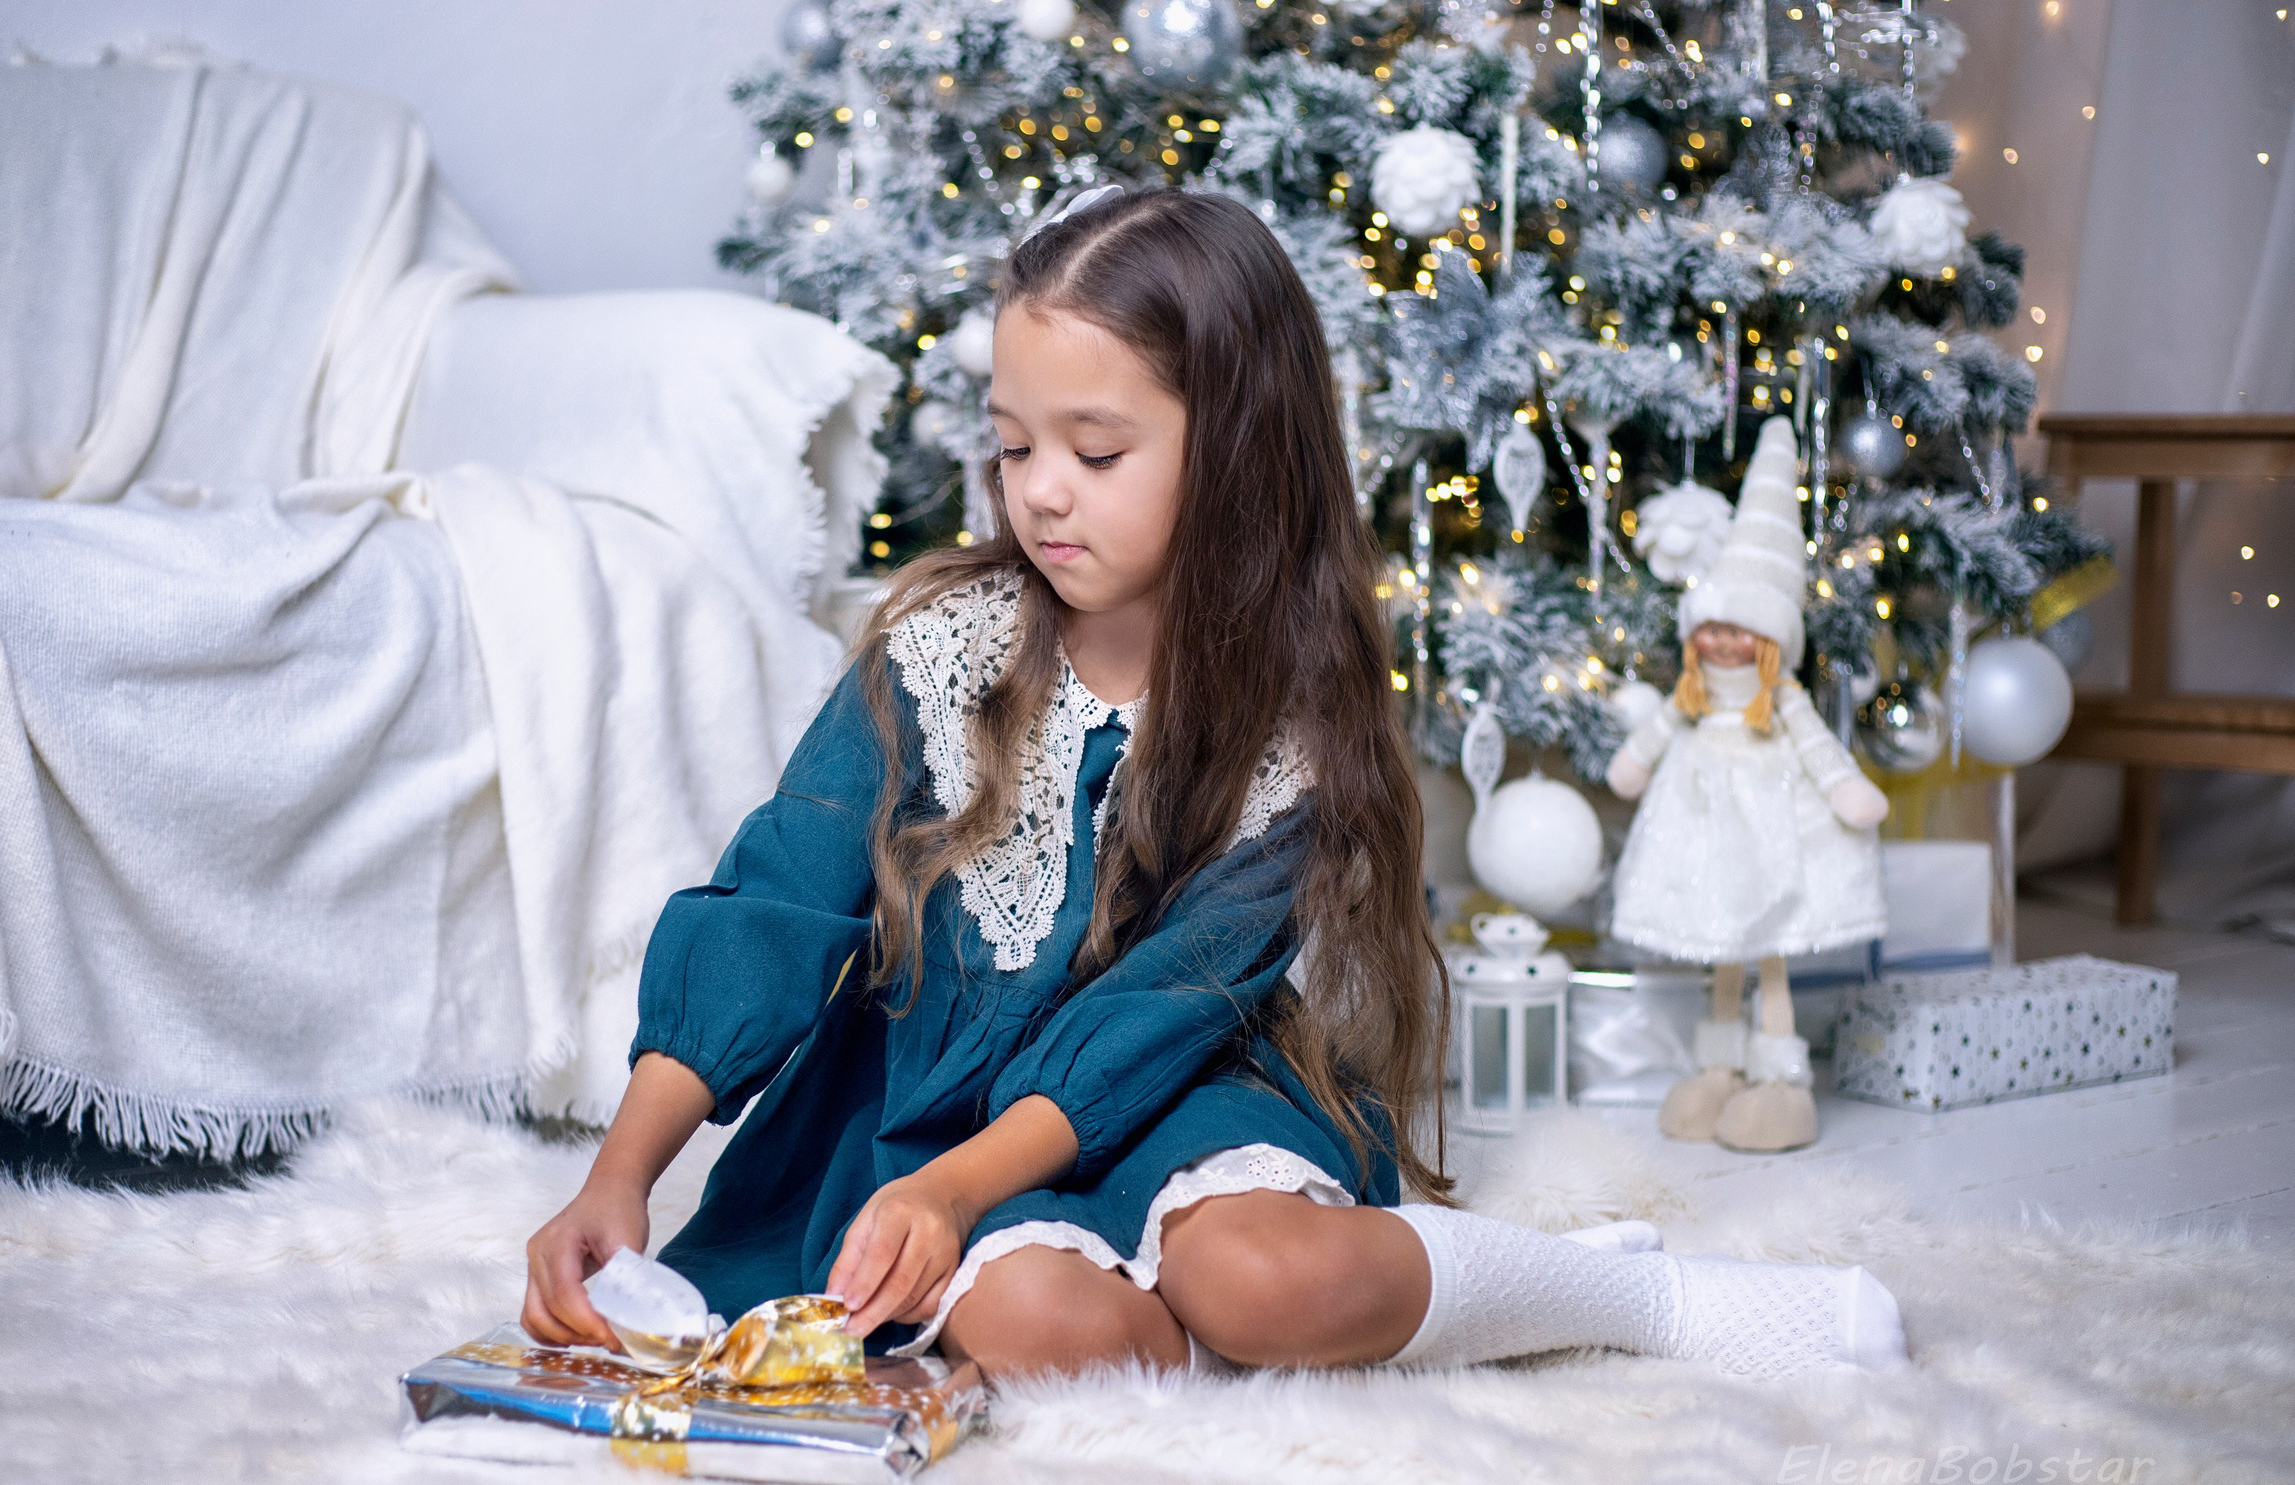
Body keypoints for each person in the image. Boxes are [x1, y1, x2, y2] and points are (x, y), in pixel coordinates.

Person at [520, 187, 1907, 1382]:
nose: (1041, 492)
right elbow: (779, 893)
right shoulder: (938, 650)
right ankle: (1186, 1329)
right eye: (1013, 446)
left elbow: (1156, 1008)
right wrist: (619, 1173)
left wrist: (959, 1190)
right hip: (929, 1103)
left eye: (1097, 451)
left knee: (1266, 1282)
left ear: (1233, 444)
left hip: (1168, 1073)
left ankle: (1619, 1293)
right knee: (1042, 1327)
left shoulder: (1292, 726)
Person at [1606, 416, 1892, 1155]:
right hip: (1703, 835)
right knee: (1719, 953)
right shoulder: (1695, 697)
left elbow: (1820, 749)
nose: (1724, 641)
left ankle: (1780, 1079)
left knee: (1769, 947)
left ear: (1770, 641)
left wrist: (1846, 791)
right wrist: (1634, 763)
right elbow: (1654, 736)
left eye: (1742, 630)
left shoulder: (1782, 700)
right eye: (1713, 628)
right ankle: (1717, 1070)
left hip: (1769, 836)